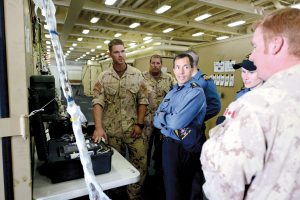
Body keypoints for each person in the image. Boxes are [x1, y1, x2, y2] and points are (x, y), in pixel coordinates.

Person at [200, 8, 300, 200]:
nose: (252, 56)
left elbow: (222, 187)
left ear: (275, 45)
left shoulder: (259, 105)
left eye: (255, 46)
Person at [92, 39, 149, 200]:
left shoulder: (137, 75)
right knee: (113, 165)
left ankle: (134, 195)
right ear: (110, 54)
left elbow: (143, 100)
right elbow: (97, 102)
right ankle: (116, 193)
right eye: (116, 52)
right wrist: (98, 127)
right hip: (112, 130)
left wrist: (139, 124)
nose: (120, 55)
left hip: (133, 129)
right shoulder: (103, 77)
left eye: (122, 51)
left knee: (140, 162)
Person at [154, 53, 207, 200]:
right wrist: (166, 119)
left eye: (185, 67)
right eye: (177, 67)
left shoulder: (196, 92)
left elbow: (176, 122)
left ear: (192, 69)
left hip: (184, 146)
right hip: (169, 145)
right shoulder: (172, 91)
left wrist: (163, 118)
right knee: (170, 187)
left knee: (184, 190)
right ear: (173, 70)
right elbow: (155, 120)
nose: (181, 72)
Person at [142, 54, 176, 199]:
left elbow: (176, 97)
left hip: (163, 123)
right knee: (144, 151)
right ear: (149, 63)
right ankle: (142, 180)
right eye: (153, 63)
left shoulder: (169, 79)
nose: (155, 65)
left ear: (161, 64)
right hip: (146, 122)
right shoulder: (142, 78)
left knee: (162, 152)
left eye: (158, 63)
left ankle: (159, 179)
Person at [185, 50, 221, 121]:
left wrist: (196, 118)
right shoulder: (184, 80)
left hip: (195, 128)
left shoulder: (205, 81)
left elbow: (215, 107)